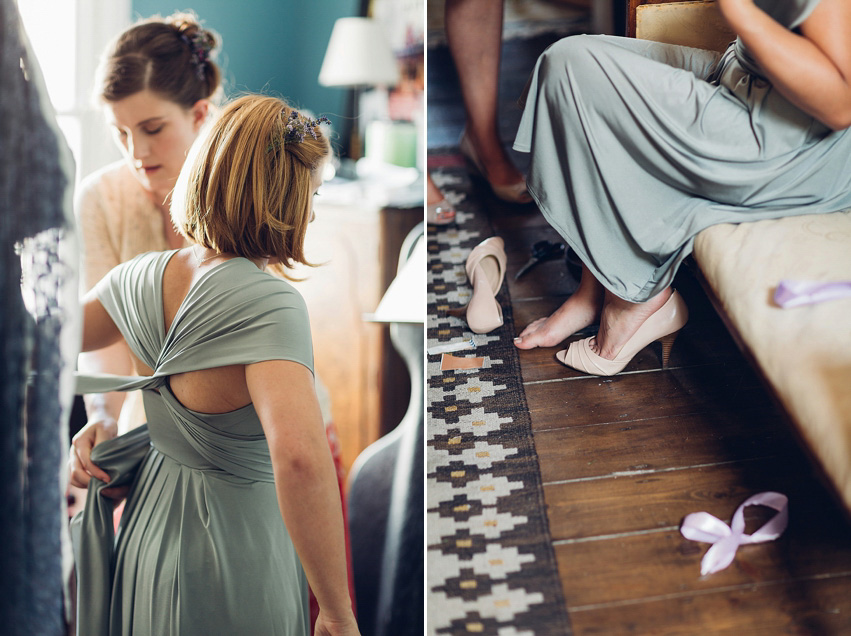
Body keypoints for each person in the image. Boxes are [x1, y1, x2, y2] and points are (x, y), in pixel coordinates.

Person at [69, 95, 360, 636]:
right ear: (281, 197)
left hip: (143, 540)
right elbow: (298, 458)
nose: (314, 212)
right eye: (312, 194)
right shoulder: (270, 303)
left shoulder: (139, 277)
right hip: (236, 554)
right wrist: (339, 613)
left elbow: (42, 342)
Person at [512, 0, 851, 375]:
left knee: (571, 69)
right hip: (740, 77)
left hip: (785, 144)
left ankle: (635, 301)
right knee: (568, 59)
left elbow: (840, 105)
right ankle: (591, 291)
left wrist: (738, 9)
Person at [75, 12, 220, 437]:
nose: (136, 151)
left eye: (152, 128)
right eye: (120, 133)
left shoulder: (241, 190)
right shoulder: (101, 198)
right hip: (147, 427)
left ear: (199, 114)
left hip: (248, 426)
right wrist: (103, 415)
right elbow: (105, 332)